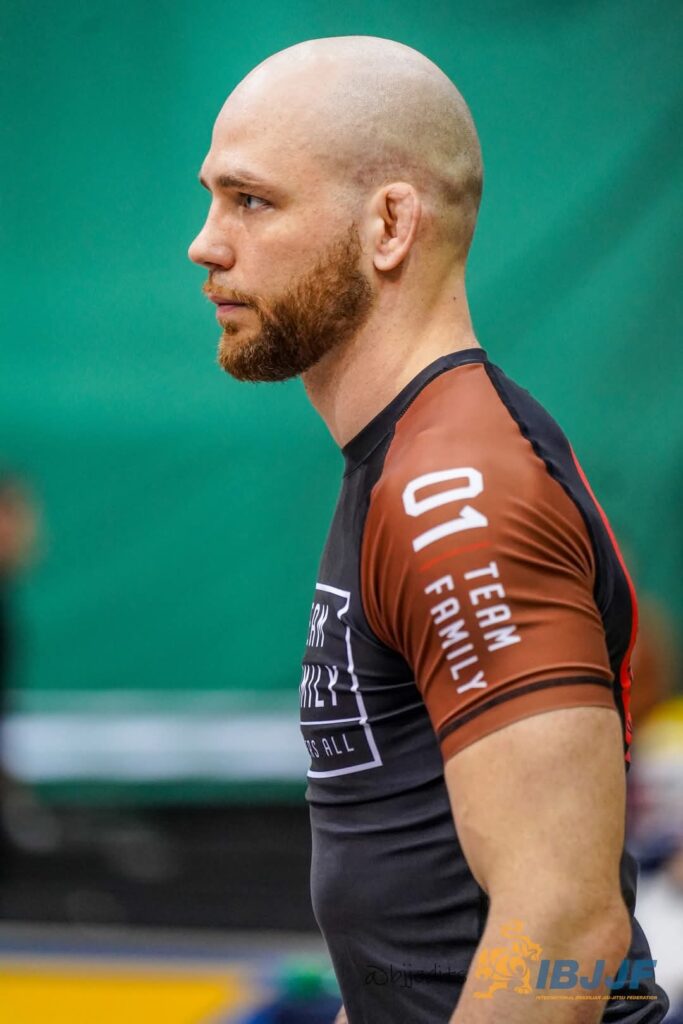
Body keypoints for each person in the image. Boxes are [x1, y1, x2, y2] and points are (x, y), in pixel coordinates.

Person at [188, 35, 669, 1024]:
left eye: (251, 200)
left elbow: (562, 930)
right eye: (212, 198)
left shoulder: (452, 487)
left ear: (390, 225)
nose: (206, 242)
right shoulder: (406, 459)